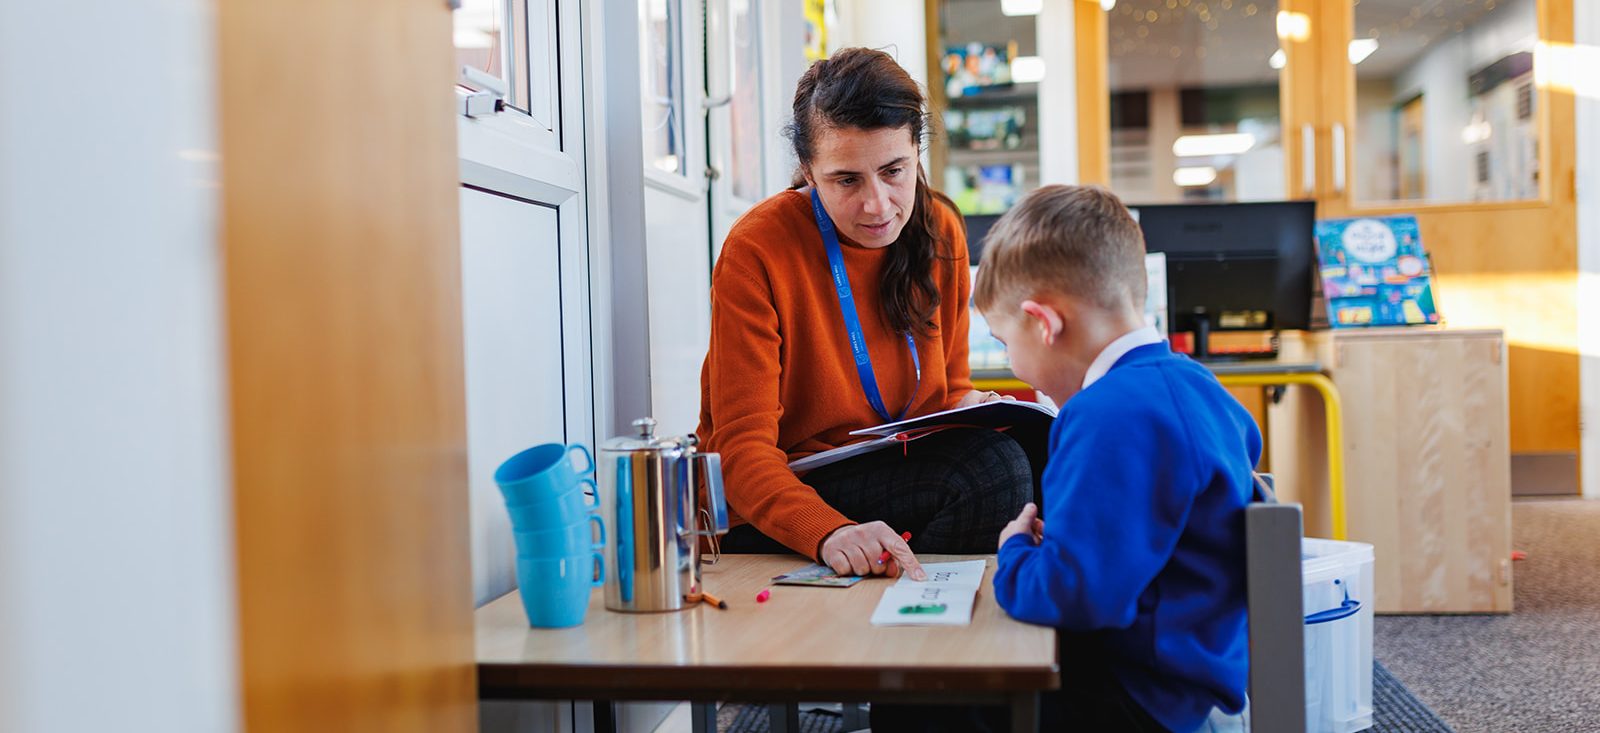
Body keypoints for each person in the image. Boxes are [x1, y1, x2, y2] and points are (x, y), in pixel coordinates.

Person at [876, 185, 1262, 732]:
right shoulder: (1200, 387)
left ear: (1044, 323)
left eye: (1005, 342)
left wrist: (1014, 552)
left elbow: (1072, 597)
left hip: (1136, 696)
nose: (1013, 364)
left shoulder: (1104, 415)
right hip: (1188, 677)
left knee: (908, 700)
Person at [695, 47, 1035, 581]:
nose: (877, 204)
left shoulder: (940, 230)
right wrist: (826, 531)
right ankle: (911, 608)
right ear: (809, 172)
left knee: (1039, 457)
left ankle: (923, 607)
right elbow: (739, 453)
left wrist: (976, 408)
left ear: (917, 152)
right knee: (991, 471)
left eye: (894, 171)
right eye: (846, 180)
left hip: (896, 473)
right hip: (776, 497)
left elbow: (947, 391)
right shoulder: (758, 247)